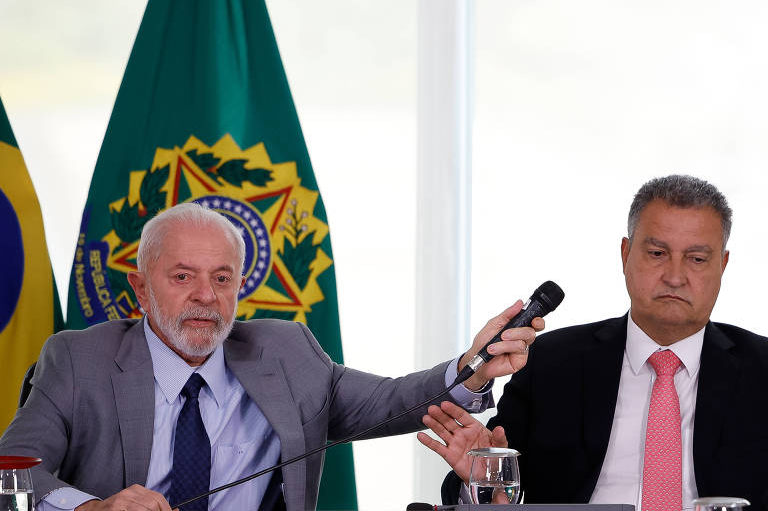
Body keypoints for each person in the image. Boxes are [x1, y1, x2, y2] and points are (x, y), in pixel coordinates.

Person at [0, 202, 543, 511]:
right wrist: (92, 509)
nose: (205, 297)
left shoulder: (285, 353)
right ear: (141, 290)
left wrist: (474, 363)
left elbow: (393, 401)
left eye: (222, 279)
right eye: (182, 277)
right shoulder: (77, 361)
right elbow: (9, 482)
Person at [419, 175, 768, 510]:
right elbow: (489, 485)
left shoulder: (761, 370)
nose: (675, 277)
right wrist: (486, 478)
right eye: (658, 253)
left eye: (696, 259)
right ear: (625, 254)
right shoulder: (554, 365)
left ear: (721, 265)